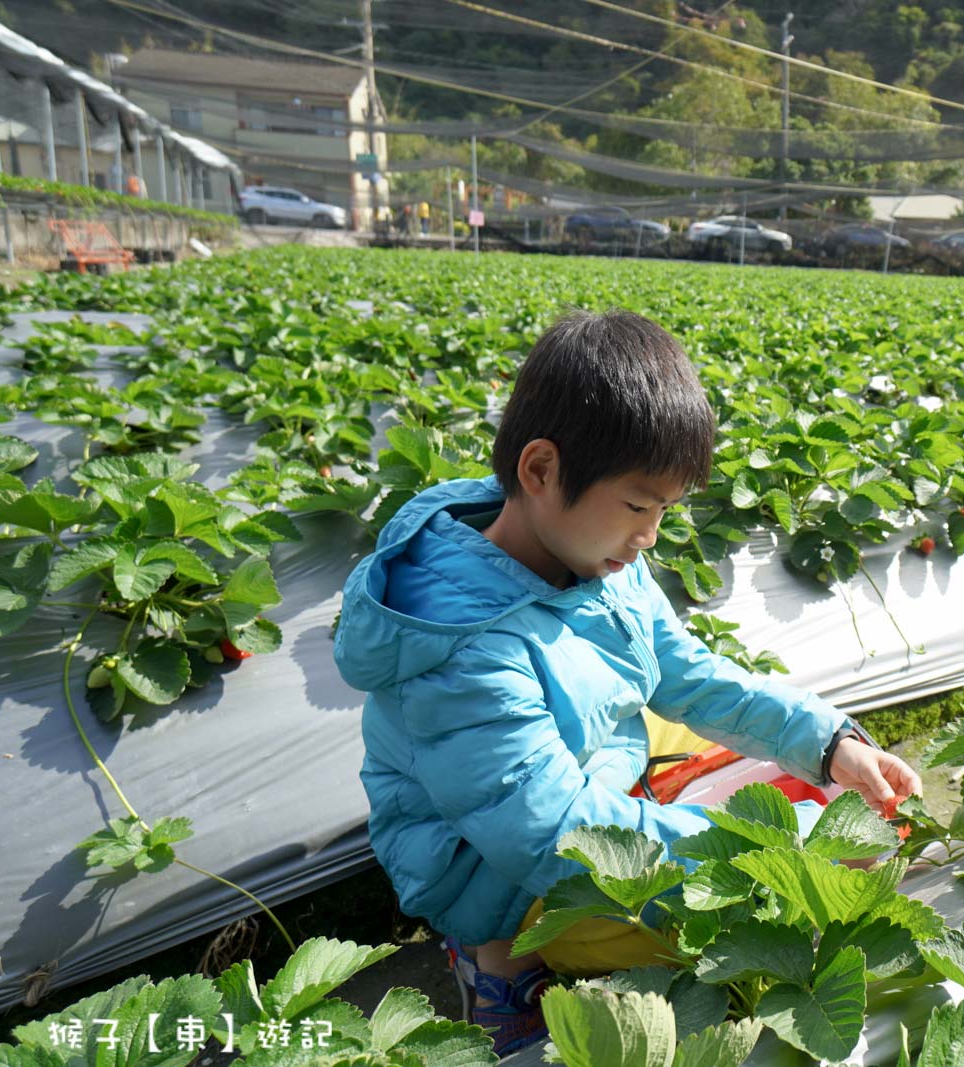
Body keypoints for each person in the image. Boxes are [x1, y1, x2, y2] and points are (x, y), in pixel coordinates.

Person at [332, 309, 921, 1056]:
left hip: (583, 767)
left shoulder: (597, 556)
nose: (649, 537)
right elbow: (552, 831)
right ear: (540, 470)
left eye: (665, 512)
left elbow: (690, 675)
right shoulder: (463, 650)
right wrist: (784, 852)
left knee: (728, 741)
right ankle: (499, 969)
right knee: (675, 918)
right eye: (639, 506)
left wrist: (828, 742)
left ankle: (688, 829)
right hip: (493, 859)